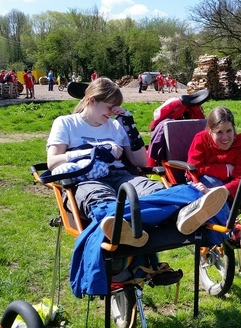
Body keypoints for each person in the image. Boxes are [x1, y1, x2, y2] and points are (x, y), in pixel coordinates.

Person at [46, 77, 228, 243]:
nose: (112, 112)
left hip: (120, 175)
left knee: (154, 188)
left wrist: (131, 129)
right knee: (100, 199)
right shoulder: (67, 123)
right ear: (92, 101)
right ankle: (130, 223)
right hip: (87, 178)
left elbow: (141, 162)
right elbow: (53, 161)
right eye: (109, 106)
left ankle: (175, 214)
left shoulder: (115, 125)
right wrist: (92, 152)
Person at [187, 106, 241, 230]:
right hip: (205, 184)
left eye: (229, 131)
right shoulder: (201, 139)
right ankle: (230, 227)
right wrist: (225, 170)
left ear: (234, 129)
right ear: (210, 131)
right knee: (213, 181)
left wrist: (224, 189)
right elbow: (193, 169)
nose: (225, 137)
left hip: (231, 187)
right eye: (219, 132)